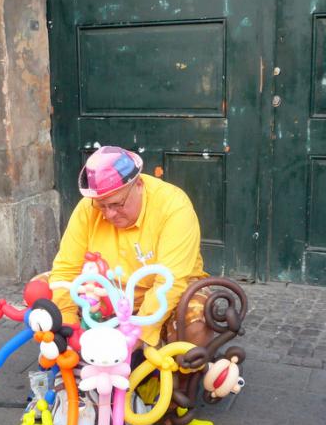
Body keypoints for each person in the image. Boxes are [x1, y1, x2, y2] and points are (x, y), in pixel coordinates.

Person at [49, 145, 212, 354]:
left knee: (194, 320)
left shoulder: (173, 206)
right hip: (106, 294)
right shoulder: (88, 207)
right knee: (42, 292)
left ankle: (182, 380)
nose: (109, 214)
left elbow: (171, 282)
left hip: (164, 294)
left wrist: (135, 338)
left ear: (139, 185)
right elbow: (65, 271)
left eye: (117, 204)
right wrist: (69, 329)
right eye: (101, 206)